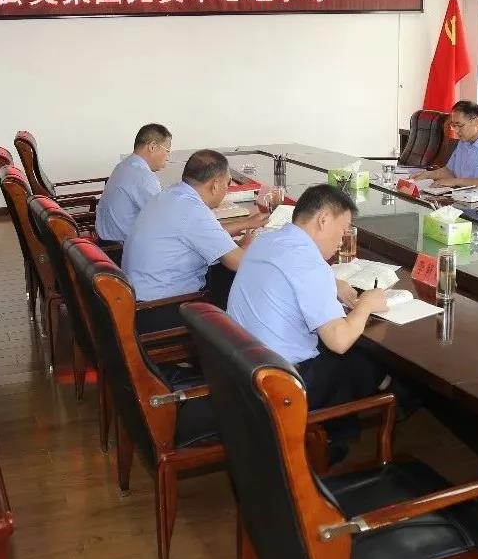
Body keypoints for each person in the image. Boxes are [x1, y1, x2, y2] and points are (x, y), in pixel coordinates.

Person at [227, 184, 389, 421]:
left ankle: (336, 430)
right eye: (342, 229)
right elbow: (339, 341)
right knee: (362, 361)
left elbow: (290, 273)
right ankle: (333, 435)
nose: (341, 241)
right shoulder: (311, 264)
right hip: (282, 386)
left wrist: (333, 283)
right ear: (323, 220)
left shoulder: (267, 240)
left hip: (244, 370)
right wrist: (366, 303)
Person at [121, 149, 267, 332]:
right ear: (215, 184)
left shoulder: (172, 194)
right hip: (159, 310)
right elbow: (238, 263)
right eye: (228, 183)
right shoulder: (192, 210)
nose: (227, 188)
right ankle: (242, 342)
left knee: (223, 274)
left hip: (139, 301)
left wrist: (246, 224)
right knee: (242, 278)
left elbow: (203, 233)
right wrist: (247, 246)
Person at [412, 100, 478, 196]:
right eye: (453, 125)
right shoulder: (464, 141)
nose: (456, 130)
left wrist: (455, 181)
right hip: (464, 196)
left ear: (476, 121)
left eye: (459, 125)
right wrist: (428, 175)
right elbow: (450, 171)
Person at [95, 123, 172, 243]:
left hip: (105, 242)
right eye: (167, 151)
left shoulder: (125, 165)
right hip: (120, 249)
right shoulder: (143, 176)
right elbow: (163, 219)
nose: (168, 157)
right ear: (152, 146)